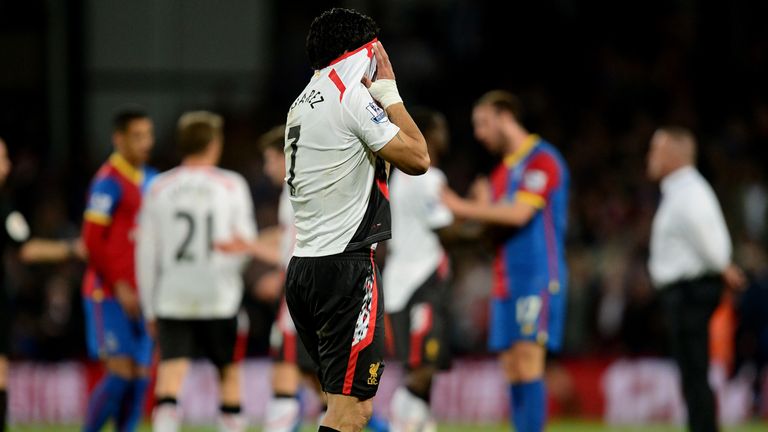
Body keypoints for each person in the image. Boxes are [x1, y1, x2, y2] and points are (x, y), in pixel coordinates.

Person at [284, 8, 428, 432]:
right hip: (344, 270)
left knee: (351, 409)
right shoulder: (350, 94)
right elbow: (419, 156)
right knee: (348, 414)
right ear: (361, 50)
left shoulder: (300, 102)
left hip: (305, 268)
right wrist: (389, 92)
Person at [442, 90, 569, 432]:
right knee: (512, 367)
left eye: (483, 123)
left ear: (504, 116)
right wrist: (473, 220)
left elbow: (518, 214)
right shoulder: (499, 176)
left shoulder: (543, 160)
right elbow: (490, 233)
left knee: (529, 362)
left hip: (536, 276)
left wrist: (461, 206)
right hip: (504, 280)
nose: (479, 134)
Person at [136, 111, 257, 432]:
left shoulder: (159, 187)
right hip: (219, 296)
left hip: (173, 295)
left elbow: (146, 254)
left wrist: (149, 307)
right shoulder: (231, 185)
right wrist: (229, 278)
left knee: (170, 377)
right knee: (228, 374)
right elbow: (244, 245)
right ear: (214, 144)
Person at [646, 126, 745, 432]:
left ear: (673, 156)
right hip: (685, 290)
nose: (649, 157)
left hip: (691, 290)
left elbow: (712, 240)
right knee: (691, 370)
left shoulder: (690, 191)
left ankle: (704, 428)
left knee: (694, 369)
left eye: (655, 150)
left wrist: (723, 265)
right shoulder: (681, 190)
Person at [0, 137, 86, 432]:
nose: (8, 165)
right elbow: (27, 249)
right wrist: (73, 249)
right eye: (2, 158)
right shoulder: (4, 207)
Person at [81, 108, 157, 432]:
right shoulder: (108, 182)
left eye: (148, 135)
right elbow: (92, 240)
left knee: (140, 378)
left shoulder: (153, 179)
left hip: (143, 295)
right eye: (137, 136)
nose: (146, 143)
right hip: (108, 293)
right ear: (119, 139)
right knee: (120, 374)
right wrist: (120, 284)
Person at [383, 108, 453, 432]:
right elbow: (445, 229)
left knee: (421, 364)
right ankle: (403, 421)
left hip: (399, 282)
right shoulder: (429, 176)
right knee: (424, 366)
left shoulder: (398, 174)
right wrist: (485, 226)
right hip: (421, 281)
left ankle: (421, 425)